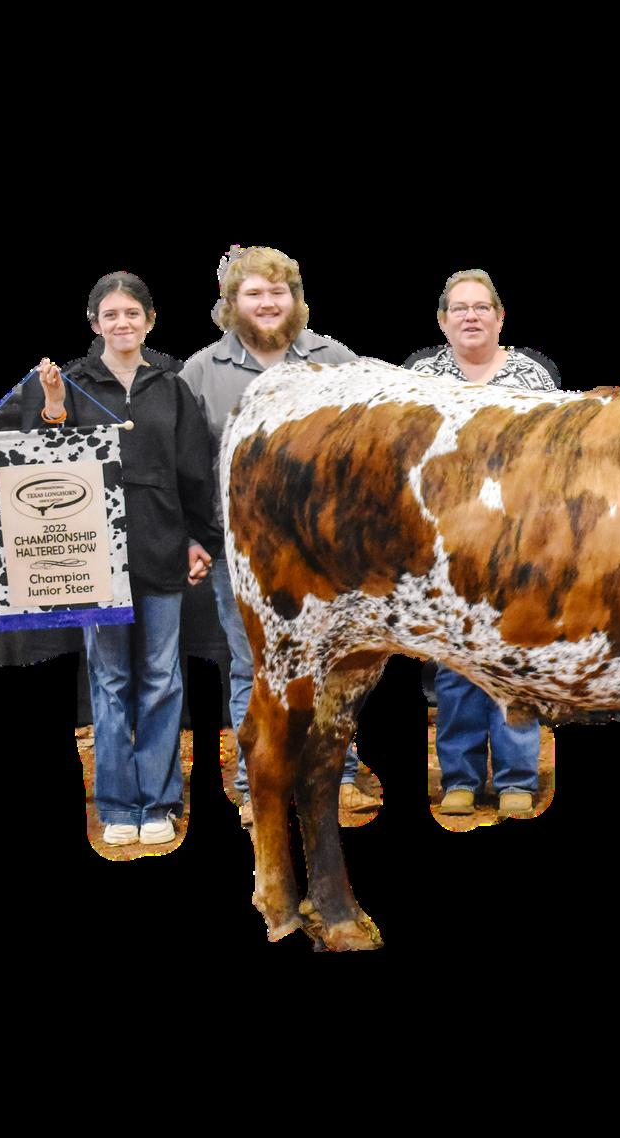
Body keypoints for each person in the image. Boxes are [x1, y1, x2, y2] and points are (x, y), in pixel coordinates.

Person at [0, 272, 217, 847]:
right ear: (95, 323)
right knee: (110, 679)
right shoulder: (69, 382)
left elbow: (195, 470)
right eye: (110, 314)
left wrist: (200, 539)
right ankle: (117, 804)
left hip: (162, 548)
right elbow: (35, 462)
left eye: (132, 313)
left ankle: (159, 801)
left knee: (162, 679)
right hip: (93, 560)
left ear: (150, 321)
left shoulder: (172, 387)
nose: (122, 323)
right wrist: (53, 406)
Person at [179, 246, 380, 825]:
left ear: (295, 299)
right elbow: (185, 466)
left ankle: (337, 775)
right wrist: (191, 537)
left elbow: (370, 451)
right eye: (254, 294)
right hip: (239, 553)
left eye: (278, 292)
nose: (268, 303)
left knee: (331, 663)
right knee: (252, 665)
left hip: (326, 555)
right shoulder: (201, 371)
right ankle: (256, 785)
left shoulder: (336, 361)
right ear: (231, 303)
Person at [403, 269, 559, 818]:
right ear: (443, 321)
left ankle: (517, 778)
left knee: (515, 660)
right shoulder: (421, 377)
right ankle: (461, 778)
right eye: (459, 309)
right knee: (456, 665)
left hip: (520, 544)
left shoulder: (532, 376)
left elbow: (555, 459)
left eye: (481, 307)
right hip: (446, 549)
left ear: (499, 317)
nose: (471, 316)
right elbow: (407, 460)